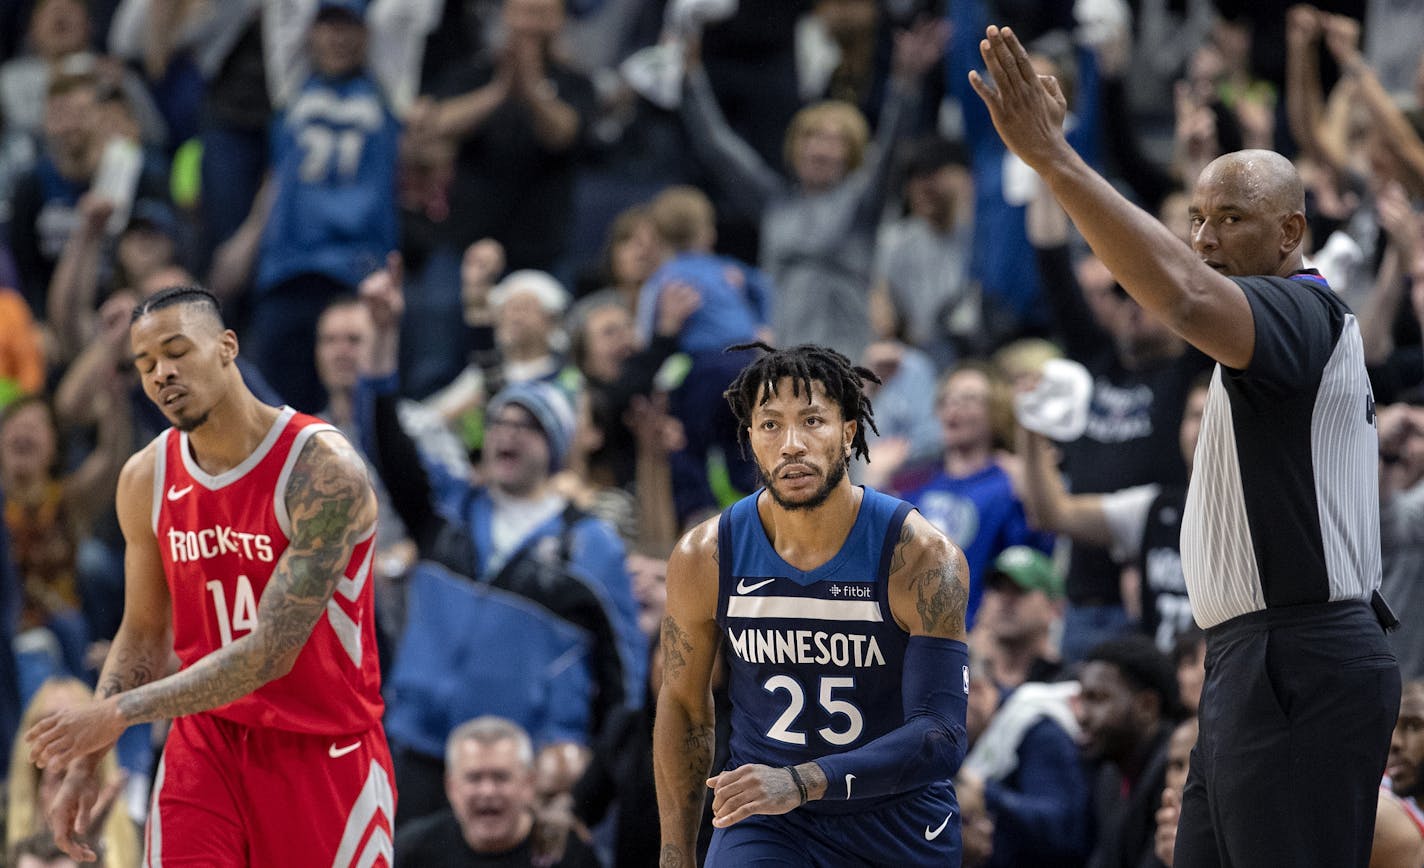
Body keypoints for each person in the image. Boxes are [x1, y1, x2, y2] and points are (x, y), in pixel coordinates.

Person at [969, 23, 1401, 867]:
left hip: (1296, 656)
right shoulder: (1271, 337)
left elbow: (1177, 292)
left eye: (1230, 218)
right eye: (1195, 217)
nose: (1203, 238)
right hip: (1257, 657)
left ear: (1290, 235)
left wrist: (1056, 160)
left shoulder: (1303, 313)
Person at [25, 285, 393, 865]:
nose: (161, 374)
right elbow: (143, 631)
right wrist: (89, 757)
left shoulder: (322, 470)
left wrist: (116, 714)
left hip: (321, 747)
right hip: (206, 744)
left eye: (177, 352)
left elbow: (268, 653)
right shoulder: (145, 477)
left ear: (227, 347)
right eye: (145, 364)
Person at [654, 342, 971, 866]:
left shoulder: (919, 555)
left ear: (849, 433)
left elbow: (941, 734)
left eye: (813, 421)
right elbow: (685, 705)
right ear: (751, 440)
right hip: (769, 821)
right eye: (771, 425)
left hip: (897, 820)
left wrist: (802, 782)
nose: (792, 444)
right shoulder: (705, 555)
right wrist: (675, 853)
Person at [394, 716, 599, 868]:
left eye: (501, 777)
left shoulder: (567, 853)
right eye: (474, 778)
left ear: (528, 783)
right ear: (451, 787)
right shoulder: (413, 851)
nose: (488, 791)